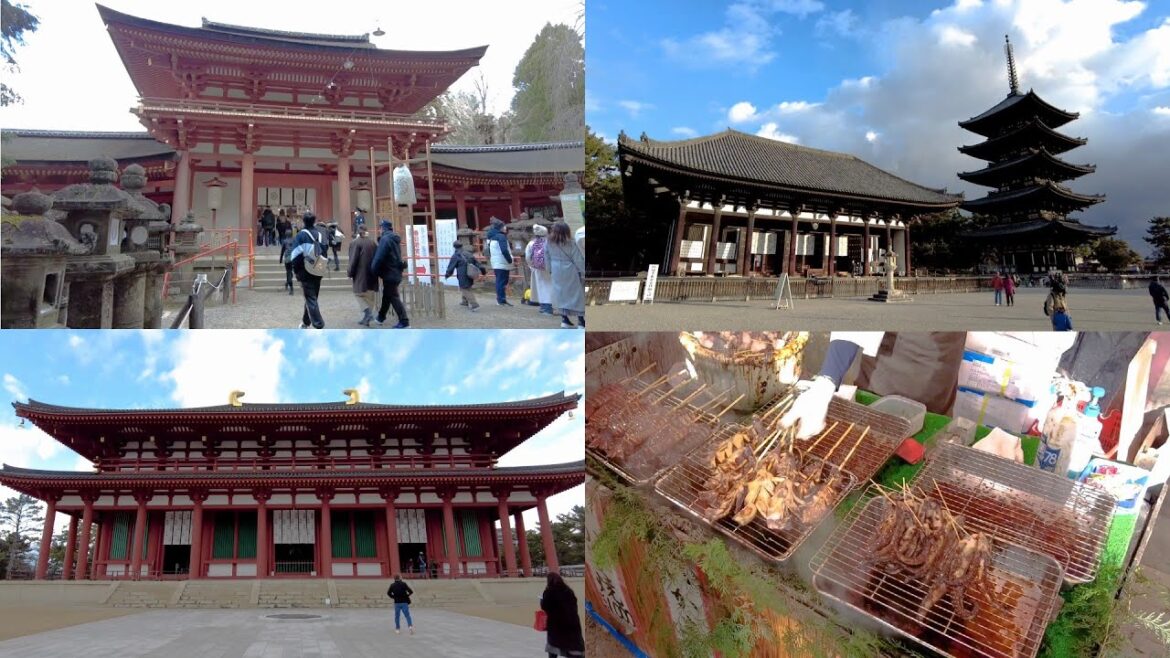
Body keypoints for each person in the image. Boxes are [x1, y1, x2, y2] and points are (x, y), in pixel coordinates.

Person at [290, 212, 327, 329]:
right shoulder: (321, 235)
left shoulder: (301, 235)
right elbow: (325, 251)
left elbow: (296, 256)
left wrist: (296, 271)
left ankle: (318, 324)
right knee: (312, 296)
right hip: (319, 269)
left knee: (310, 297)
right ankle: (306, 322)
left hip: (305, 270)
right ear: (314, 221)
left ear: (303, 221)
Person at [371, 219, 409, 328]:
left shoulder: (385, 239)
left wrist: (373, 269)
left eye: (380, 227)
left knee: (393, 296)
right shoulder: (393, 239)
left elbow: (379, 257)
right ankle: (381, 317)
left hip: (390, 272)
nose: (379, 230)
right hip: (395, 271)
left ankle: (404, 321)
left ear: (382, 228)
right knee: (387, 295)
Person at [547, 221, 585, 329]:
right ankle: (581, 321)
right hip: (569, 270)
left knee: (560, 295)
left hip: (555, 270)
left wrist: (549, 270)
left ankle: (564, 320)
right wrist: (584, 272)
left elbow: (547, 257)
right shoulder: (571, 243)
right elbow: (578, 259)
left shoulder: (548, 243)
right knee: (576, 295)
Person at [541, 572, 585, 658]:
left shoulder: (549, 592)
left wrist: (542, 601)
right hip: (572, 623)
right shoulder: (568, 591)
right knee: (573, 647)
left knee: (553, 646)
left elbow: (545, 606)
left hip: (556, 625)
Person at [347, 225, 379, 326]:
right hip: (372, 273)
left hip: (360, 273)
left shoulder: (355, 243)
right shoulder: (373, 243)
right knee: (370, 296)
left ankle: (368, 313)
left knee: (358, 294)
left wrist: (350, 272)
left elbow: (353, 260)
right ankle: (366, 319)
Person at [444, 241, 485, 311]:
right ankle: (464, 301)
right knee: (467, 286)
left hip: (462, 274)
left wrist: (447, 275)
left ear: (454, 247)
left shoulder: (456, 255)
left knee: (465, 288)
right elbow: (477, 263)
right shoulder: (468, 254)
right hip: (470, 273)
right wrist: (483, 271)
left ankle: (474, 304)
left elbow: (451, 267)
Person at [526, 224, 554, 315]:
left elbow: (528, 256)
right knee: (549, 287)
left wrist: (531, 266)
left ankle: (544, 307)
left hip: (537, 268)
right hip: (550, 268)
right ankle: (548, 307)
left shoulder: (531, 243)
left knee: (540, 287)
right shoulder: (550, 242)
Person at [485, 217, 514, 306]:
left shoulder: (490, 237)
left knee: (500, 281)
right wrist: (509, 259)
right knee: (502, 281)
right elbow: (504, 250)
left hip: (496, 261)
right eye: (503, 226)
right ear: (500, 227)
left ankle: (501, 299)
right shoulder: (501, 237)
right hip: (502, 261)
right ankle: (501, 299)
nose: (505, 227)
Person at [278, 231, 295, 295]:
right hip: (294, 258)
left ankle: (291, 288)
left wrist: (280, 260)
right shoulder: (295, 240)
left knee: (288, 272)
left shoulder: (285, 241)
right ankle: (288, 282)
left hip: (288, 259)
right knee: (290, 272)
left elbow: (282, 251)